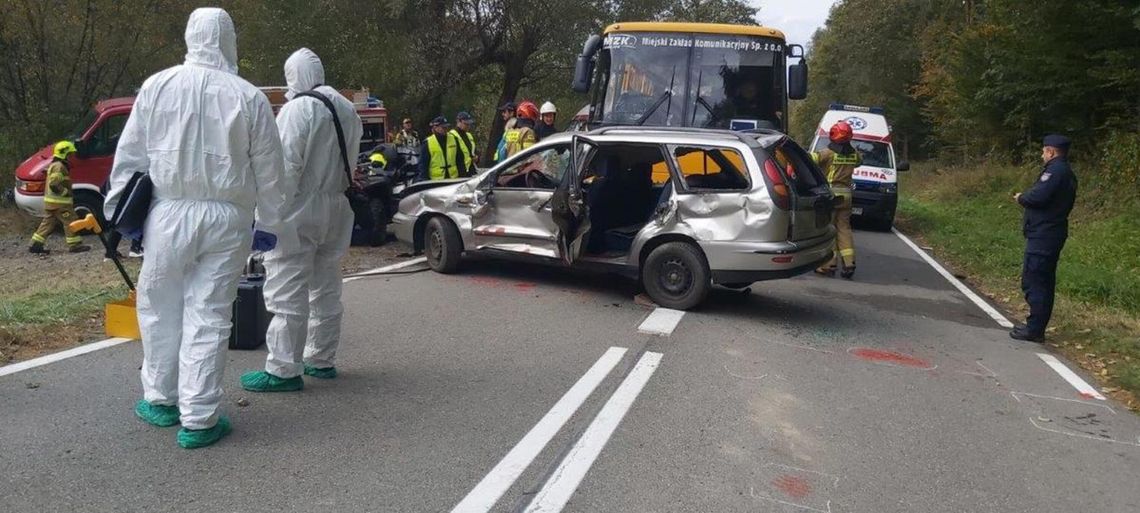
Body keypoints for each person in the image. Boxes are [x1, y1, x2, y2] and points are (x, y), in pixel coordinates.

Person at [104, 7, 290, 449]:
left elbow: (130, 158)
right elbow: (270, 171)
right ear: (229, 41)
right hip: (228, 218)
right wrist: (269, 223)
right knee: (208, 314)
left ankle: (161, 398)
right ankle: (200, 418)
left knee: (159, 306)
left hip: (167, 215)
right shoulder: (249, 97)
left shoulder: (157, 86)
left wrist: (119, 215)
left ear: (189, 37)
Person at [240, 48, 363, 391]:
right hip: (336, 205)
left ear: (292, 76)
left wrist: (265, 217)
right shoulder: (347, 108)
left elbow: (285, 169)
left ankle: (283, 370)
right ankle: (321, 360)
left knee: (287, 287)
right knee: (326, 285)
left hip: (299, 209)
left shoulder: (299, 108)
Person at [1011, 134, 1078, 342]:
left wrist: (1021, 197)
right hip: (1050, 232)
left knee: (1035, 279)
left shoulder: (1055, 171)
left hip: (1044, 234)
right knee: (1043, 279)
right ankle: (1036, 326)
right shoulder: (1066, 172)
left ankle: (1035, 329)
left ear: (1050, 151)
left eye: (1043, 151)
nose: (1042, 155)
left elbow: (1038, 196)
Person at [812, 121, 861, 279]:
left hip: (831, 196)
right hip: (846, 195)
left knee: (829, 230)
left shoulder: (828, 153)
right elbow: (860, 161)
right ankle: (849, 263)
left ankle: (829, 264)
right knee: (844, 229)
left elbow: (811, 160)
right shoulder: (854, 154)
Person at [28, 141, 91, 254]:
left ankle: (35, 244)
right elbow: (54, 184)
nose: (72, 157)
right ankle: (75, 245)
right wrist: (65, 192)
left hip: (51, 203)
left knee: (48, 223)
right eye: (70, 154)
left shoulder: (54, 165)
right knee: (71, 221)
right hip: (61, 204)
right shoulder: (59, 166)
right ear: (65, 154)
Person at [418, 116, 458, 181]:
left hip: (453, 178)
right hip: (436, 180)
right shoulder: (427, 143)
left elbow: (459, 159)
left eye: (447, 127)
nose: (446, 129)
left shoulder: (453, 139)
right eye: (443, 127)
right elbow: (423, 165)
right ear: (435, 127)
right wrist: (424, 180)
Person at [450, 111, 478, 176]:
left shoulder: (469, 135)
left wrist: (476, 158)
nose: (468, 126)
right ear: (458, 121)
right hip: (458, 172)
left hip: (470, 171)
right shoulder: (452, 136)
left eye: (469, 124)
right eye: (466, 124)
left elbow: (473, 151)